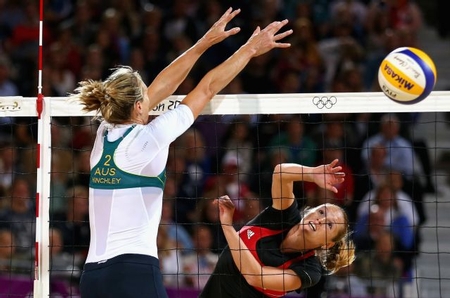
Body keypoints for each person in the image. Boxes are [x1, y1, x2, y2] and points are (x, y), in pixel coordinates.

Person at [71, 7, 293, 298]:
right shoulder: (149, 138)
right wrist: (250, 49)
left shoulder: (104, 133)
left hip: (93, 277)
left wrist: (203, 43)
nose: (150, 95)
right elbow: (207, 87)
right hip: (132, 271)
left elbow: (163, 86)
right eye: (144, 95)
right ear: (139, 106)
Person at [200, 159, 356, 298]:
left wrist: (227, 226)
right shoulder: (284, 216)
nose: (321, 220)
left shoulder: (309, 270)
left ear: (327, 244)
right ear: (309, 211)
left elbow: (255, 276)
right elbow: (280, 172)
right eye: (321, 212)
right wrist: (311, 173)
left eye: (329, 224)